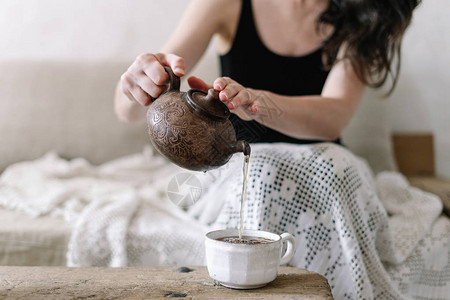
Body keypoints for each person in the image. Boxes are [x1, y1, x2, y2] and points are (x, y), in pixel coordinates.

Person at [112, 1, 443, 299]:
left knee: (333, 167)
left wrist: (256, 102)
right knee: (263, 170)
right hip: (244, 165)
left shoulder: (364, 12)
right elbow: (124, 112)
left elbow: (333, 117)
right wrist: (139, 85)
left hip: (322, 170)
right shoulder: (226, 4)